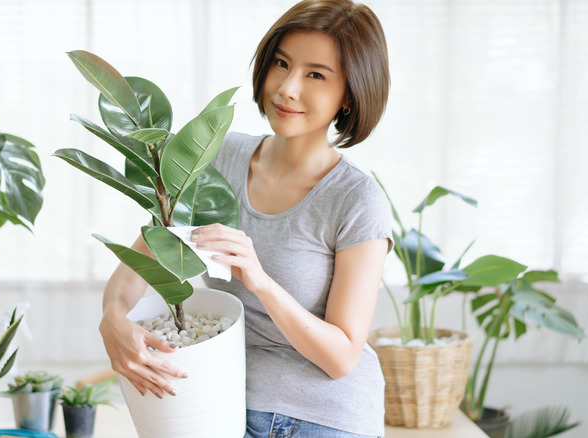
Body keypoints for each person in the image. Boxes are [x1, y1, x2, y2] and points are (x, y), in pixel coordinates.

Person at [98, 0, 393, 436]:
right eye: (281, 63)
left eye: (315, 74)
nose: (287, 88)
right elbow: (141, 260)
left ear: (349, 93)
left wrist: (259, 279)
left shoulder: (356, 199)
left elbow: (342, 357)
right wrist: (112, 320)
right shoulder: (214, 156)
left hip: (324, 416)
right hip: (222, 401)